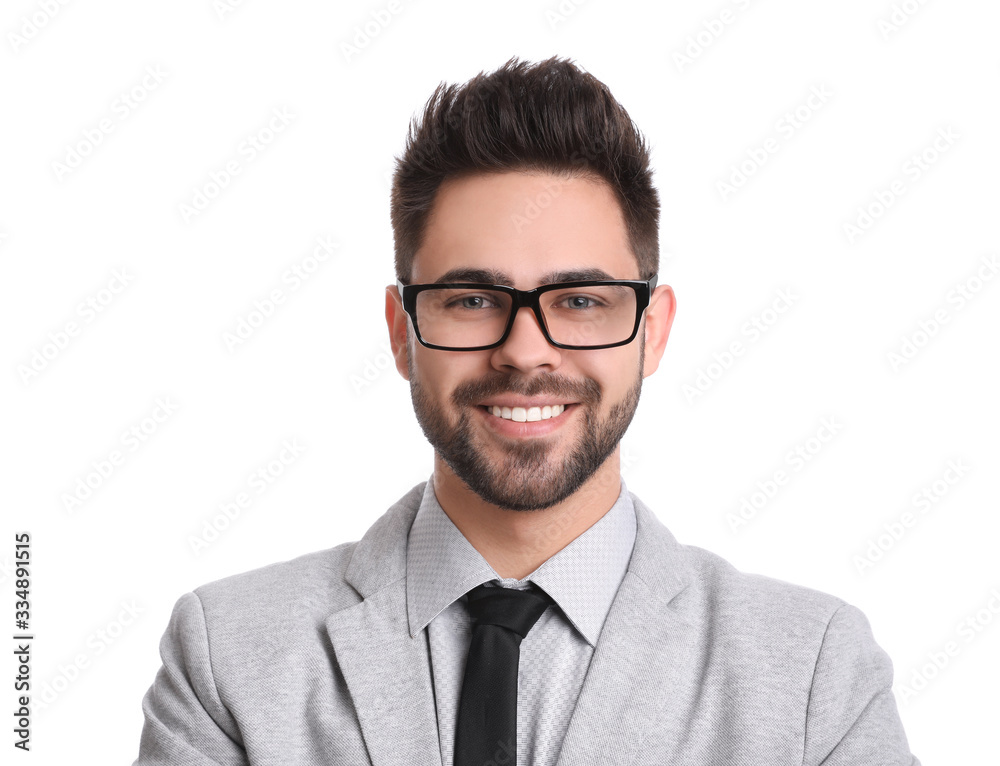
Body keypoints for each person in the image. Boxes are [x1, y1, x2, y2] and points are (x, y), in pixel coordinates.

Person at [133, 56, 920, 765]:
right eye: (472, 299)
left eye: (579, 300)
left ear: (652, 333)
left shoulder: (815, 673)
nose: (524, 352)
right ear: (402, 334)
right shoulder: (227, 657)